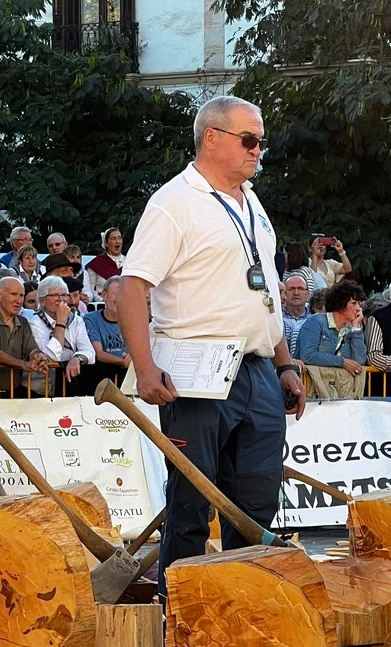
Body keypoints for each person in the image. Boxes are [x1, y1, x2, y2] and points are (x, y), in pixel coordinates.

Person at [116, 95, 304, 604]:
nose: (258, 150)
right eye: (249, 139)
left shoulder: (252, 201)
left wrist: (284, 363)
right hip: (195, 372)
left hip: (258, 369)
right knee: (192, 505)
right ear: (212, 138)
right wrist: (145, 367)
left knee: (256, 502)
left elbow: (263, 291)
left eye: (261, 141)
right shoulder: (174, 202)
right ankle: (179, 614)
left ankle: (244, 606)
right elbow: (132, 287)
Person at [296, 281, 368, 399]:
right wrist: (342, 362)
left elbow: (359, 361)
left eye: (359, 304)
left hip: (339, 391)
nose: (358, 309)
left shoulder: (351, 329)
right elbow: (307, 355)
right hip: (311, 390)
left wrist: (356, 328)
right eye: (354, 303)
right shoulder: (315, 322)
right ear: (340, 303)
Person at [27, 276, 95, 396]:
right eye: (55, 295)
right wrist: (61, 323)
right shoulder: (34, 322)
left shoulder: (76, 320)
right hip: (40, 391)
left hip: (69, 387)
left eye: (64, 295)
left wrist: (77, 358)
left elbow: (89, 352)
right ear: (42, 301)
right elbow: (51, 357)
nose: (61, 299)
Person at [0, 276, 49, 398]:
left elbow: (31, 348)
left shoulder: (23, 321)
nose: (19, 301)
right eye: (14, 294)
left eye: (21, 295)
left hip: (14, 392)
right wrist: (23, 364)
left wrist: (38, 356)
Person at [82, 276, 129, 392]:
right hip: (101, 383)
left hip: (129, 382)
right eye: (115, 293)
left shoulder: (134, 320)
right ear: (104, 295)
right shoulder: (91, 319)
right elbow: (99, 354)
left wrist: (133, 358)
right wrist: (124, 362)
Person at [86, 227, 126, 302]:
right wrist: (102, 300)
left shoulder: (128, 262)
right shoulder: (96, 263)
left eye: (119, 238)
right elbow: (90, 287)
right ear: (106, 243)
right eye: (113, 238)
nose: (117, 241)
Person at [282, 275, 311, 356]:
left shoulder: (316, 320)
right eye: (291, 289)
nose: (296, 293)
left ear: (308, 294)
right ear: (284, 293)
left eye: (300, 288)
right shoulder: (276, 319)